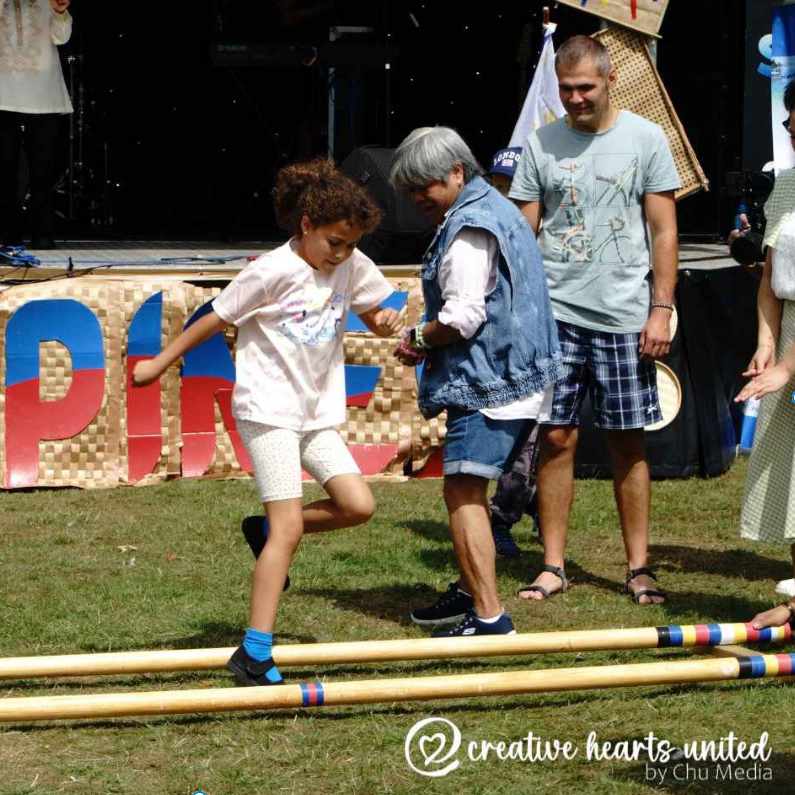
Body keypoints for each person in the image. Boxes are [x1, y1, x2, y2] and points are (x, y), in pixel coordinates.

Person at [133, 158, 402, 685]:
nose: (342, 254)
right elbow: (214, 316)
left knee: (358, 505)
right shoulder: (271, 271)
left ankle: (262, 532)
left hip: (316, 411)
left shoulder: (350, 262)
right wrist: (160, 362)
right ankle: (253, 652)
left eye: (350, 244)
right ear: (306, 226)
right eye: (333, 242)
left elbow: (372, 309)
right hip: (269, 411)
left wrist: (386, 320)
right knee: (290, 529)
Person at [508, 35, 680, 604]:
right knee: (556, 437)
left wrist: (660, 308)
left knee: (627, 442)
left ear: (610, 82)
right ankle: (553, 565)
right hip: (556, 314)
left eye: (585, 87)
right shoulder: (541, 143)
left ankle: (638, 567)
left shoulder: (646, 138)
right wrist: (515, 309)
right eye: (566, 88)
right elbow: (523, 234)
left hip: (627, 316)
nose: (576, 98)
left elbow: (663, 231)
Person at [391, 126, 561, 637]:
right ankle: (468, 593)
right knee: (470, 489)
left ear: (457, 173)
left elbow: (463, 317)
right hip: (522, 377)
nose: (418, 197)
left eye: (425, 186)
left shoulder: (468, 228)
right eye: (410, 188)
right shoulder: (499, 206)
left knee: (463, 492)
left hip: (491, 382)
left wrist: (418, 337)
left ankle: (489, 617)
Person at [735, 80, 795, 631]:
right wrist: (766, 344)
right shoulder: (787, 186)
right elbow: (770, 280)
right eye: (792, 127)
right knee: (790, 471)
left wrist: (787, 365)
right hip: (790, 335)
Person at [487, 145, 544, 559]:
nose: (507, 195)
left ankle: (538, 509)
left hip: (548, 346)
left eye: (516, 187)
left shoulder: (551, 232)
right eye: (500, 185)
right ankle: (500, 519)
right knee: (521, 441)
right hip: (506, 352)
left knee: (550, 438)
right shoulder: (483, 228)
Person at [0, 0, 73, 250]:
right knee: (4, 169)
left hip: (43, 93)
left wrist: (60, 12)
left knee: (43, 171)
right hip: (3, 93)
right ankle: (8, 234)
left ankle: (42, 233)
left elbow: (61, 37)